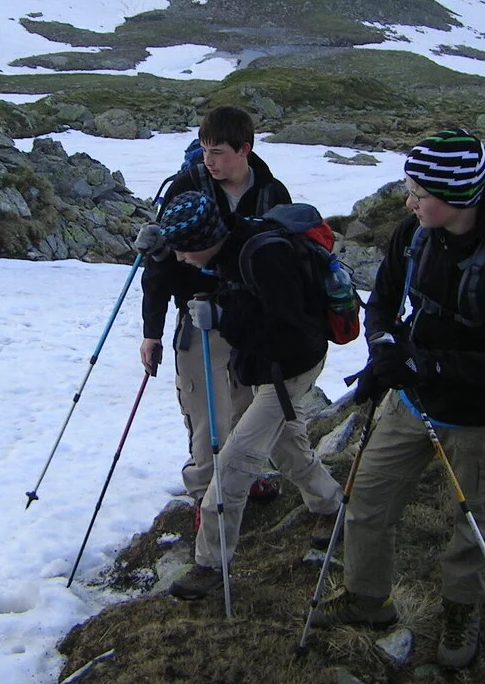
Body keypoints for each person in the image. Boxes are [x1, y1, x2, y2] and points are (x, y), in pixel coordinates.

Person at [308, 129, 485, 669]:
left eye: (419, 192)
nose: (409, 202)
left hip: (475, 415)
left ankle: (461, 610)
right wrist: (387, 347)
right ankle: (368, 600)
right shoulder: (413, 232)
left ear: (457, 197)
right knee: (366, 499)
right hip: (409, 399)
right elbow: (383, 300)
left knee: (473, 520)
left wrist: (430, 364)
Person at [147, 191, 343, 601]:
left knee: (234, 464)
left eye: (184, 250)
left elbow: (290, 331)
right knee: (287, 446)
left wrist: (224, 318)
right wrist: (164, 257)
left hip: (291, 367)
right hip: (267, 366)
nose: (183, 258)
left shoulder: (264, 256)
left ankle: (209, 563)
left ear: (204, 240)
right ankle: (330, 505)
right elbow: (193, 281)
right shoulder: (228, 249)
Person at [135, 106, 292, 525]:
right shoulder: (188, 186)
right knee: (206, 413)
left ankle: (242, 478)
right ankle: (205, 495)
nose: (209, 160)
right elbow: (160, 263)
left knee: (246, 406)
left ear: (245, 150)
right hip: (197, 314)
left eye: (219, 152)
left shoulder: (272, 192)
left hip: (249, 318)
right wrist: (153, 331)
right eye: (205, 150)